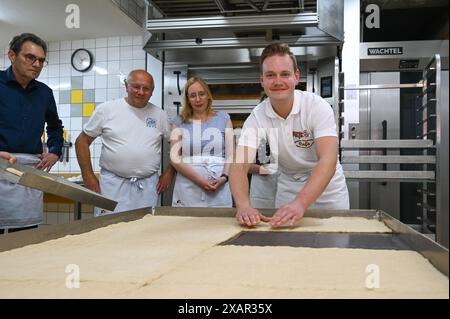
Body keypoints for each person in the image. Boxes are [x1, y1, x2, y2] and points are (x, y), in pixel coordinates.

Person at [230, 43, 349, 228]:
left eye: (284, 74)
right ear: (262, 80)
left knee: (335, 243)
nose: (278, 81)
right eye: (270, 75)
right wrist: (244, 206)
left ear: (296, 77)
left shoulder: (316, 107)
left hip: (328, 190)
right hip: (289, 188)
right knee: (285, 248)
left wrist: (300, 204)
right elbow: (239, 165)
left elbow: (328, 160)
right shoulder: (257, 116)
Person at [75, 69, 175, 216]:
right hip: (112, 186)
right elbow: (82, 141)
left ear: (152, 91)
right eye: (136, 86)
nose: (140, 92)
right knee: (108, 230)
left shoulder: (160, 115)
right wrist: (88, 175)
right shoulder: (107, 110)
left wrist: (169, 173)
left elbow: (178, 144)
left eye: (146, 88)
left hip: (147, 187)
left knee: (145, 232)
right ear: (126, 86)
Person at [0, 33, 64, 233]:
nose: (37, 64)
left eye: (41, 60)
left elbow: (54, 126)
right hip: (1, 164)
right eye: (30, 57)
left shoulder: (44, 92)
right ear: (12, 55)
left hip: (29, 172)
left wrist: (54, 151)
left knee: (26, 235)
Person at [170, 77, 233, 207]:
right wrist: (200, 180)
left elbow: (230, 155)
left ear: (208, 95)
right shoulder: (178, 122)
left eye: (201, 94)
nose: (198, 99)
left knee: (219, 225)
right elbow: (174, 158)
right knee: (188, 224)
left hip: (219, 187)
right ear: (187, 99)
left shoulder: (224, 118)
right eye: (193, 96)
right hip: (188, 187)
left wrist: (224, 177)